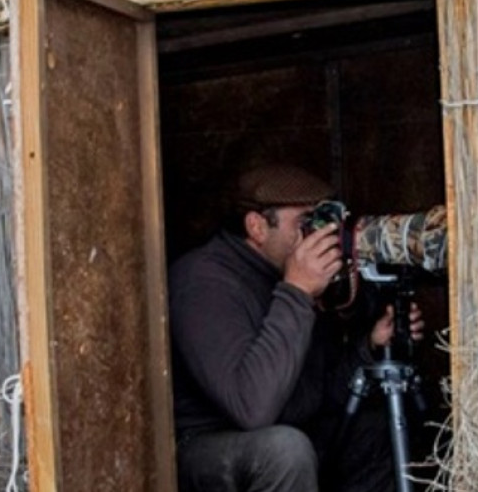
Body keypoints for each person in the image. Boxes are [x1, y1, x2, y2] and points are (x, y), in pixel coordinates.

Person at [169, 164, 426, 492]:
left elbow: (316, 392)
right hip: (206, 445)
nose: (318, 236)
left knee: (374, 425)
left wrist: (371, 346)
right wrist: (298, 292)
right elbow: (252, 408)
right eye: (305, 224)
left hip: (283, 426)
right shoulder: (204, 281)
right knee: (284, 450)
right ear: (257, 227)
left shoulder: (284, 274)